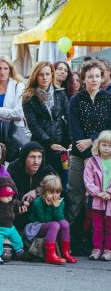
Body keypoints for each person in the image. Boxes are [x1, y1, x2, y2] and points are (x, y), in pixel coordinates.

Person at [67, 60, 111, 249]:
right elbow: (74, 129)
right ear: (83, 79)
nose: (94, 79)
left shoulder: (108, 99)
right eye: (90, 76)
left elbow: (108, 127)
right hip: (80, 155)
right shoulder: (76, 100)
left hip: (104, 157)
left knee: (101, 198)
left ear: (102, 78)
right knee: (76, 195)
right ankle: (71, 239)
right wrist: (86, 156)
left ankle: (97, 241)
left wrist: (93, 140)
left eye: (97, 76)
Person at [22, 61, 69, 176]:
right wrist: (49, 143)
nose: (44, 78)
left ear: (52, 75)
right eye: (40, 74)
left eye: (47, 74)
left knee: (64, 176)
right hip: (41, 146)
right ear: (35, 76)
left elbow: (69, 118)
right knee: (44, 180)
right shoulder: (29, 97)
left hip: (62, 146)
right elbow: (33, 125)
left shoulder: (60, 93)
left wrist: (70, 141)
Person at [25, 175, 77, 264]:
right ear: (44, 192)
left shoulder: (60, 202)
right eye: (51, 192)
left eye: (57, 192)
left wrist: (56, 207)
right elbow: (44, 220)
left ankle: (65, 252)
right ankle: (50, 255)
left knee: (65, 223)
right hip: (36, 226)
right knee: (54, 225)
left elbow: (60, 218)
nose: (55, 195)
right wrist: (51, 207)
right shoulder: (38, 202)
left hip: (52, 225)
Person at [83, 130, 111, 261]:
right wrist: (97, 192)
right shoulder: (92, 162)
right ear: (98, 145)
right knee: (97, 226)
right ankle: (96, 248)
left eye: (110, 146)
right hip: (97, 199)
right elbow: (88, 180)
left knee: (109, 226)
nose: (106, 148)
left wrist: (109, 193)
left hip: (110, 200)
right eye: (104, 145)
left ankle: (108, 250)